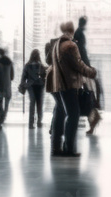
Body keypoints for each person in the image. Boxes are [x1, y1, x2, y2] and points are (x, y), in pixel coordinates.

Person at [47, 21, 97, 157]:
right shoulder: (70, 45)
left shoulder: (57, 44)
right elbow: (79, 65)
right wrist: (91, 72)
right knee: (73, 115)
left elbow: (49, 61)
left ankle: (56, 148)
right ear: (72, 30)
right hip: (69, 84)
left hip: (59, 84)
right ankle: (68, 148)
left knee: (60, 114)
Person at [73, 16, 103, 134]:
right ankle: (92, 121)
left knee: (87, 96)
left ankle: (92, 122)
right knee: (89, 95)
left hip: (83, 67)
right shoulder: (79, 34)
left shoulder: (78, 33)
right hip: (84, 66)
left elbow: (79, 51)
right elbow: (81, 51)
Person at [22, 49, 47, 129]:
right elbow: (44, 77)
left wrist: (24, 85)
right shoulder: (41, 66)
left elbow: (23, 78)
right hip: (40, 86)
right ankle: (39, 121)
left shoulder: (27, 65)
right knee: (39, 104)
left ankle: (31, 123)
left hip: (31, 86)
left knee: (32, 103)